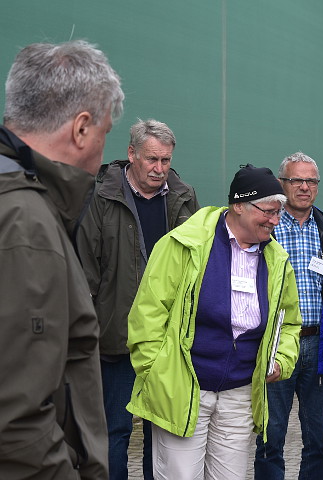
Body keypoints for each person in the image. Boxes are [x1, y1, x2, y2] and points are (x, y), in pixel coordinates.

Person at [126, 164, 302, 479]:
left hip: (239, 393)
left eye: (280, 214)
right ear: (239, 205)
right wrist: (158, 374)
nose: (275, 221)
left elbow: (288, 323)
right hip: (182, 388)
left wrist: (282, 359)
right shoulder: (183, 244)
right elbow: (147, 316)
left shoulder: (276, 260)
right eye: (269, 212)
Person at [0, 40, 124, 479]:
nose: (103, 153)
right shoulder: (26, 225)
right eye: (106, 133)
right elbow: (18, 423)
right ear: (82, 129)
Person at [76, 119, 200, 479]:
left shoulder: (183, 196)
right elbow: (86, 271)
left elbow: (196, 266)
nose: (159, 169)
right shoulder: (101, 196)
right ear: (131, 154)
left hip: (168, 340)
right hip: (116, 338)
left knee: (159, 433)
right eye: (151, 160)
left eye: (165, 160)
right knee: (115, 430)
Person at [254, 152, 323, 479]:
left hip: (319, 348)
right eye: (296, 180)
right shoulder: (264, 229)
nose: (304, 187)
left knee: (320, 443)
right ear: (281, 185)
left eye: (311, 181)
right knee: (270, 440)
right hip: (275, 346)